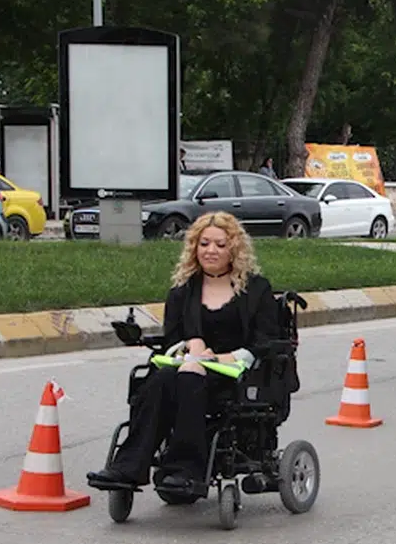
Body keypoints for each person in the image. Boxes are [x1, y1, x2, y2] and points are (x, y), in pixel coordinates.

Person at [86, 212, 280, 494]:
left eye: (220, 245)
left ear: (234, 249)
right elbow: (172, 338)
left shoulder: (257, 289)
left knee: (187, 380)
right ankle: (127, 468)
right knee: (161, 380)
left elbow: (265, 340)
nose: (210, 251)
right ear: (194, 247)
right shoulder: (183, 290)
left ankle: (185, 469)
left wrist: (220, 359)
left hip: (235, 375)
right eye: (204, 244)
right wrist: (191, 346)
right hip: (188, 366)